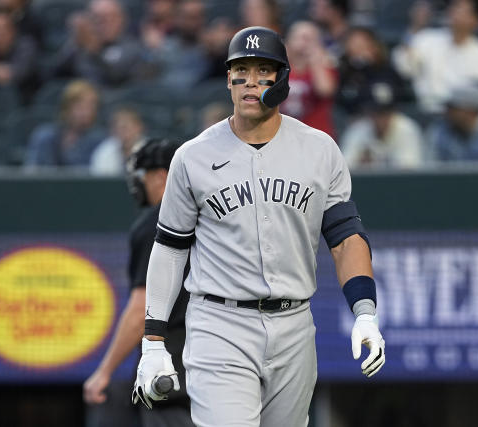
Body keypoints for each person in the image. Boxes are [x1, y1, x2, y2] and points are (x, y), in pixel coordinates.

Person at [131, 26, 386, 427]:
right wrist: (153, 339)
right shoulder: (192, 157)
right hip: (220, 323)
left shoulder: (320, 150)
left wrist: (365, 312)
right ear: (228, 79)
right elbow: (170, 248)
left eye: (263, 71)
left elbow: (345, 238)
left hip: (294, 324)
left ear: (283, 80)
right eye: (241, 71)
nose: (251, 82)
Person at [84, 138, 193, 427]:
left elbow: (142, 309)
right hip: (219, 364)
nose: (139, 184)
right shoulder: (210, 218)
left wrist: (104, 370)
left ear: (161, 176)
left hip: (170, 368)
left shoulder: (157, 222)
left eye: (143, 176)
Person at [392, 0, 478, 111]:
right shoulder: (426, 38)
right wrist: (415, 27)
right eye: (454, 7)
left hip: (461, 115)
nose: (453, 11)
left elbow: (475, 97)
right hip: (424, 110)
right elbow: (404, 68)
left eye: (461, 9)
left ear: (477, 21)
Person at [340, 80, 424, 170]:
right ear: (368, 111)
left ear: (394, 111)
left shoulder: (407, 129)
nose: (381, 118)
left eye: (385, 112)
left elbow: (409, 172)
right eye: (376, 112)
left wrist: (374, 164)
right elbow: (343, 170)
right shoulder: (357, 130)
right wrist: (360, 165)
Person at [25, 80, 105, 167]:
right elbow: (33, 172)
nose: (86, 112)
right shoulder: (45, 136)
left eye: (91, 106)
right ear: (67, 107)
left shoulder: (100, 141)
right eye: (80, 106)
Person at [281, 20, 338, 138]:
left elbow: (325, 90)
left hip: (316, 134)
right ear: (289, 41)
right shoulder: (278, 69)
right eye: (301, 37)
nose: (305, 43)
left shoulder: (324, 67)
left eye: (310, 39)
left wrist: (316, 61)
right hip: (284, 134)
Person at [0, 9, 38, 103]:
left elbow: (19, 73)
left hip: (24, 99)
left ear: (12, 32)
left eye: (0, 31)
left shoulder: (26, 46)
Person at [90, 106, 147, 176]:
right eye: (118, 128)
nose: (123, 132)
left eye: (126, 128)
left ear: (139, 128)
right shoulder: (105, 151)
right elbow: (99, 180)